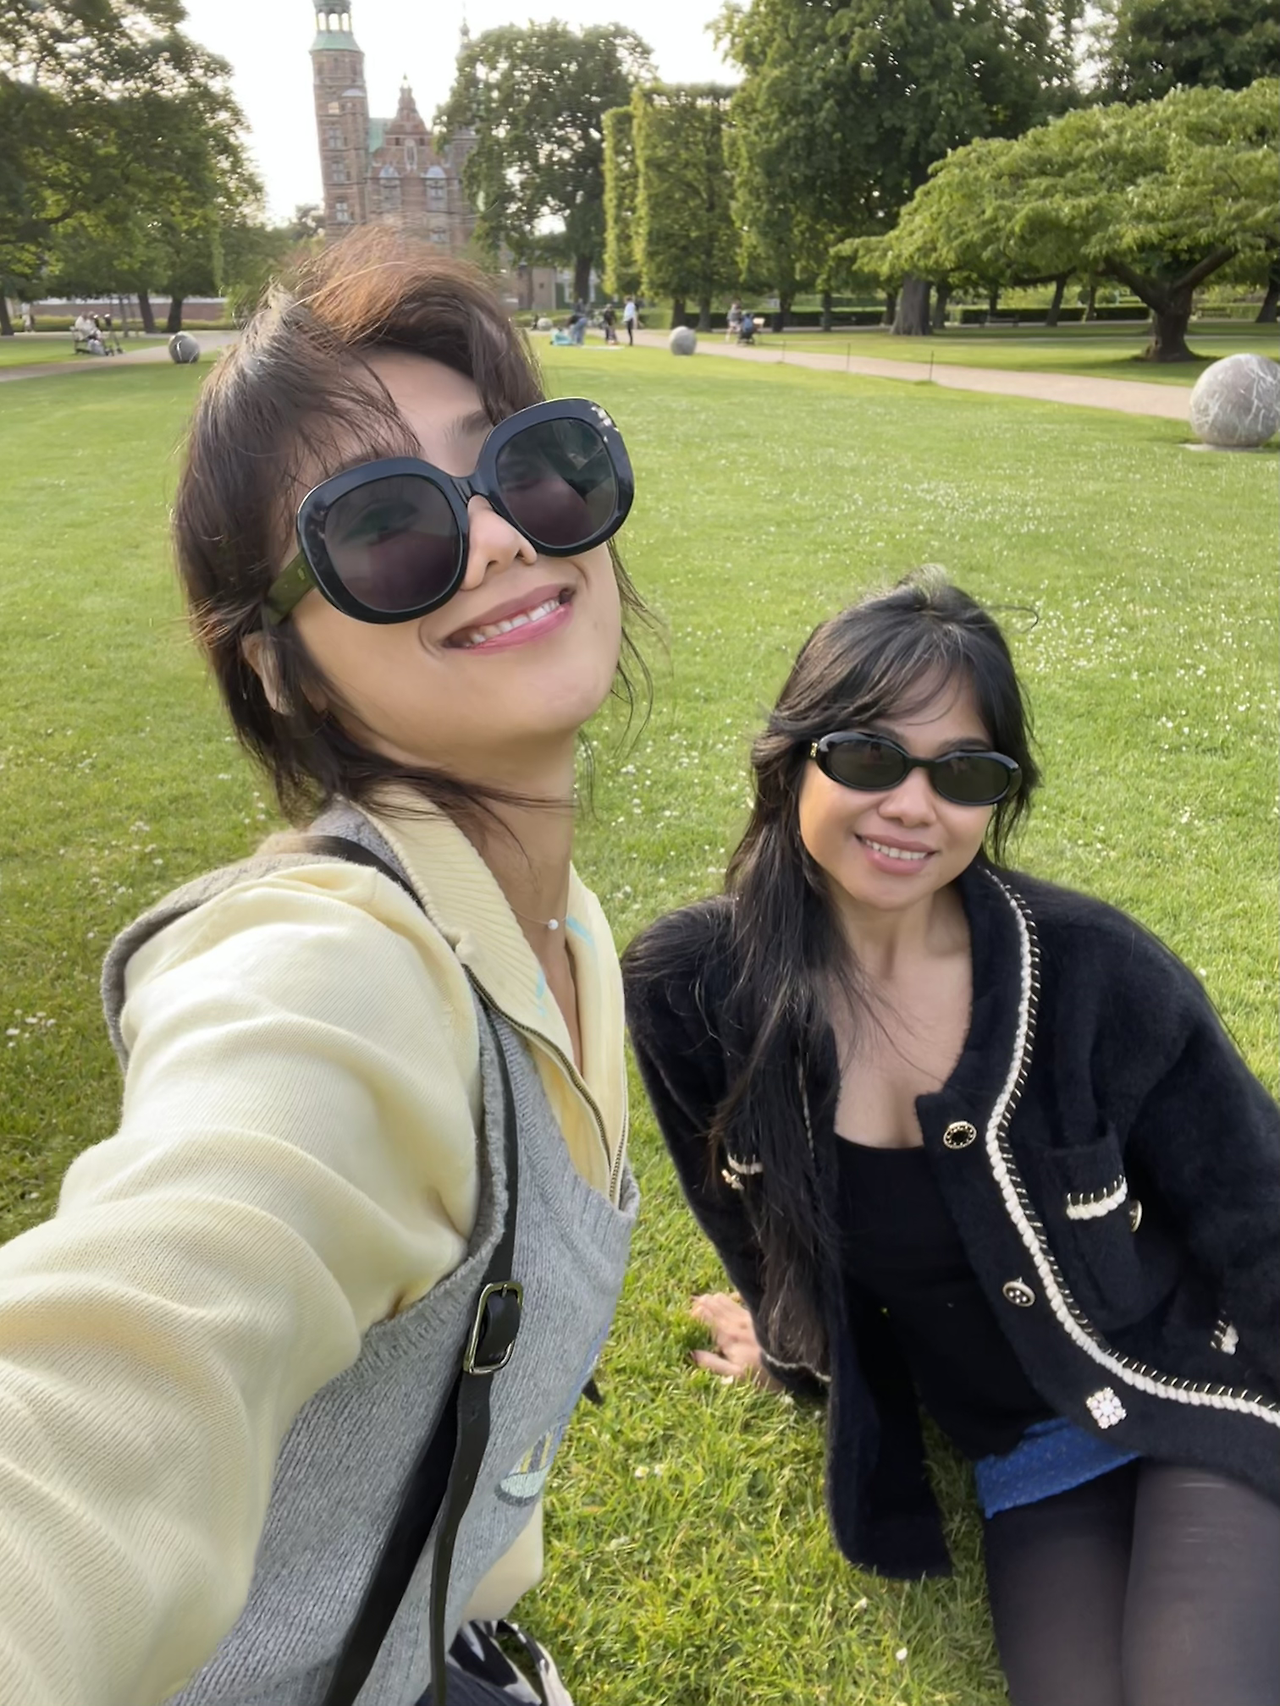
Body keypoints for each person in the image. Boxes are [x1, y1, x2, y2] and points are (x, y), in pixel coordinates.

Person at [0, 230, 647, 1705]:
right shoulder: (335, 968)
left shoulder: (567, 932)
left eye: (531, 469)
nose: (500, 539)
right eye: (385, 527)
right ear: (279, 665)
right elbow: (120, 1363)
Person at [623, 573, 1280, 1706]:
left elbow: (1253, 1203)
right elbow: (748, 1225)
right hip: (1023, 1448)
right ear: (791, 760)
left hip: (1195, 1377)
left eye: (964, 773)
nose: (912, 806)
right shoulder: (694, 991)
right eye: (868, 755)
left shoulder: (1093, 970)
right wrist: (789, 1348)